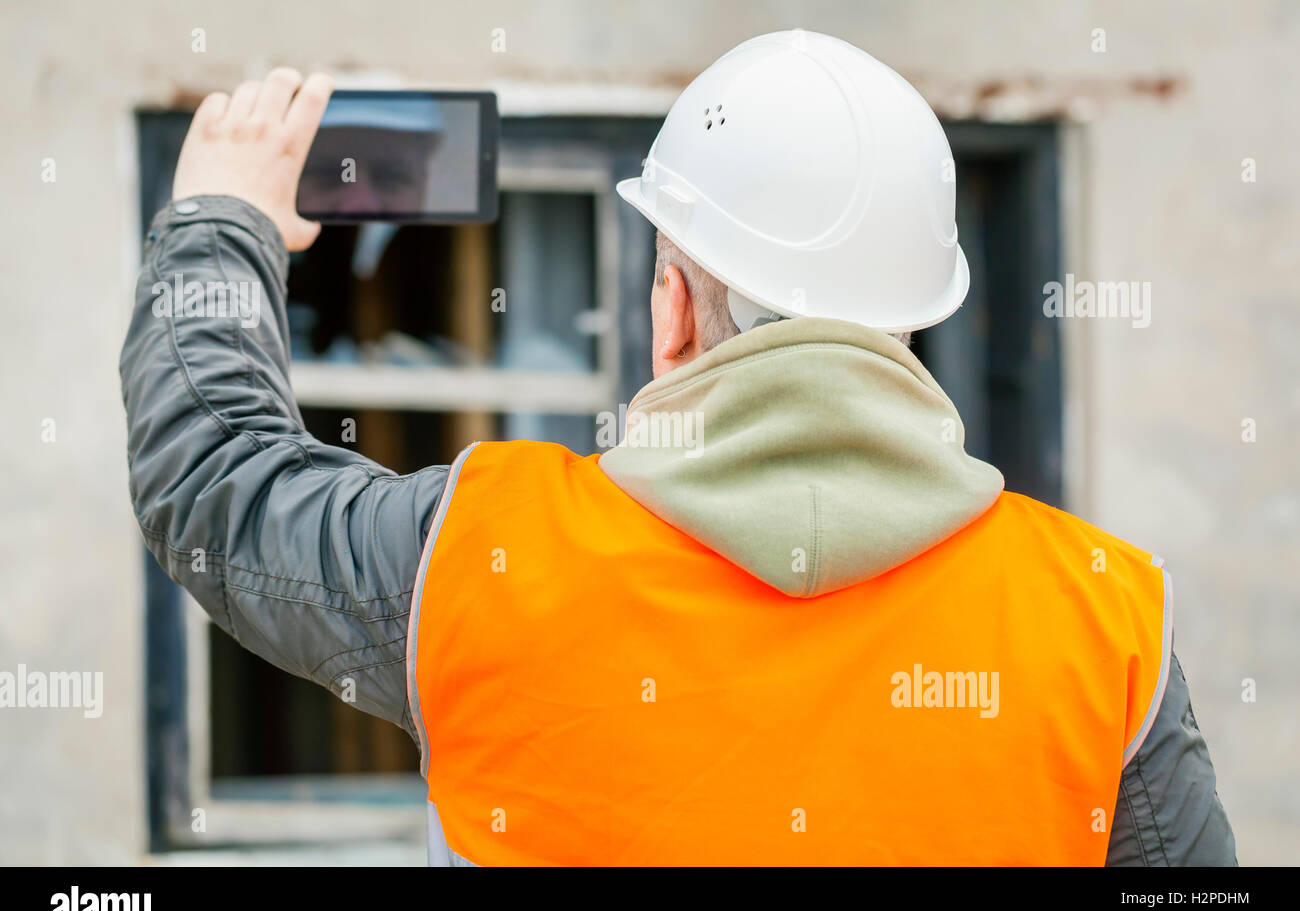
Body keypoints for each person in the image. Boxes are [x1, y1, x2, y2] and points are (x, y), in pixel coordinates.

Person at [120, 31, 1235, 865]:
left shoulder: (479, 555)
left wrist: (224, 221)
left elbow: (218, 486)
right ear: (912, 317)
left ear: (669, 309)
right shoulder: (1107, 618)